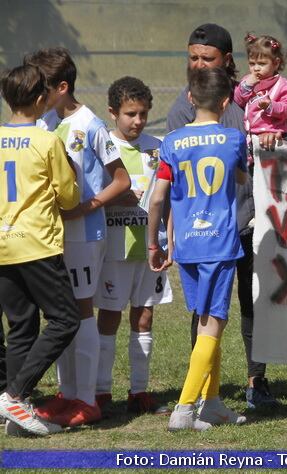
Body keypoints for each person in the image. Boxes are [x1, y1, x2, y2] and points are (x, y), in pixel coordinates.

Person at [167, 23, 282, 410]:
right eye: (192, 58)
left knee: (251, 304)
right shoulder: (183, 108)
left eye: (207, 58)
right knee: (204, 312)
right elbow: (173, 182)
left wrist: (275, 136)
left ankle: (257, 382)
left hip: (249, 221)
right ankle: (198, 391)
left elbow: (284, 133)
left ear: (227, 60)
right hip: (204, 233)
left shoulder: (252, 98)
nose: (198, 65)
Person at [25, 47, 131, 427]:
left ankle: (87, 400)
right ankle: (67, 393)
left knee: (81, 311)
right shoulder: (45, 122)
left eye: (43, 86)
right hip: (50, 235)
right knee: (62, 315)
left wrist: (87, 206)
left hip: (84, 234)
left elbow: (122, 180)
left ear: (63, 86)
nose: (37, 93)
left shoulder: (91, 124)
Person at [148, 67, 249, 431]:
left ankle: (213, 403)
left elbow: (158, 199)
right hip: (220, 244)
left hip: (187, 245)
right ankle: (185, 408)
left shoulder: (170, 143)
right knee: (213, 325)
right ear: (226, 102)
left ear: (190, 99)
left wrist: (155, 243)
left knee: (208, 323)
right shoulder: (234, 139)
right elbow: (241, 177)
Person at [0, 63, 81, 436]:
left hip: (3, 245)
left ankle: (16, 420)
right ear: (39, 99)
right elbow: (68, 197)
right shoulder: (48, 141)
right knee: (65, 319)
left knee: (21, 328)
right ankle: (14, 394)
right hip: (36, 245)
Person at [93, 76, 173, 416]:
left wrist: (169, 240)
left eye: (142, 114)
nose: (137, 121)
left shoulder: (158, 146)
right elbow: (92, 197)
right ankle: (100, 391)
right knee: (109, 316)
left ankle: (139, 391)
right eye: (130, 114)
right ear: (113, 113)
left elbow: (170, 199)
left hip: (150, 248)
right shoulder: (104, 147)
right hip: (115, 249)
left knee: (144, 316)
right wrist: (118, 200)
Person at [233, 33, 287, 157]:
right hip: (250, 137)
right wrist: (246, 87)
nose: (256, 68)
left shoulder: (281, 85)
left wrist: (271, 106)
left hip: (272, 138)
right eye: (252, 63)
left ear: (276, 63)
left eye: (261, 64)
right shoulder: (247, 80)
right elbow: (238, 100)